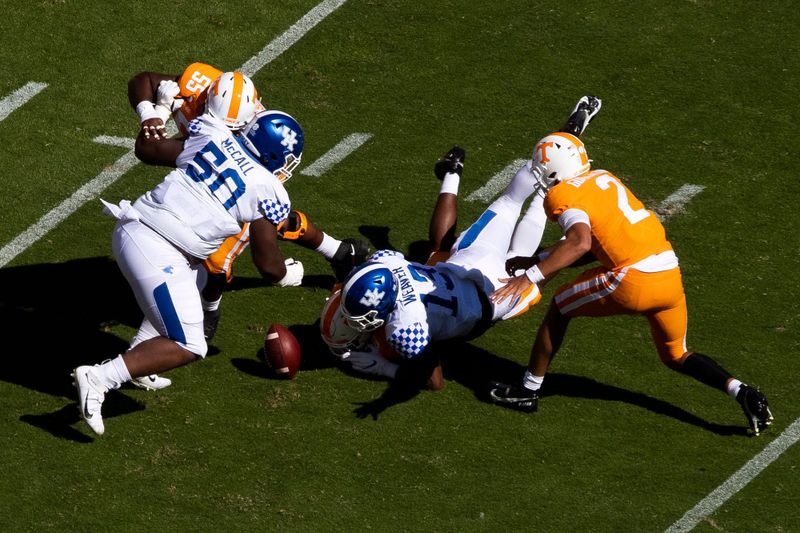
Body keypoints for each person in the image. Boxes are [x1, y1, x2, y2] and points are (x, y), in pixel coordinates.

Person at [71, 94, 328, 435]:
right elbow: (267, 262)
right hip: (157, 246)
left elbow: (158, 151)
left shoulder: (215, 133)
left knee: (198, 282)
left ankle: (141, 360)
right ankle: (101, 377)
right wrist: (287, 275)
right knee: (191, 343)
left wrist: (156, 110)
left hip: (141, 229)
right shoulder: (269, 189)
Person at [486, 132, 774, 436]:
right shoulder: (602, 177)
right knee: (676, 354)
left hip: (633, 278)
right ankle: (741, 392)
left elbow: (580, 242)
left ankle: (527, 390)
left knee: (559, 307)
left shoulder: (563, 195)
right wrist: (539, 258)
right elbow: (599, 244)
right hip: (667, 272)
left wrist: (529, 277)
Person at [320, 97, 603, 390]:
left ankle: (600, 246)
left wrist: (381, 366)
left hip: (489, 302)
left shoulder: (405, 328)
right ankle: (563, 142)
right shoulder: (385, 262)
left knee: (541, 257)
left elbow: (435, 381)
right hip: (467, 263)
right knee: (514, 197)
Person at [127, 65, 367, 363]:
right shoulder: (204, 87)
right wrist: (149, 113)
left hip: (240, 171)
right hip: (202, 157)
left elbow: (264, 231)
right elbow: (144, 81)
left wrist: (280, 274)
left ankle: (209, 304)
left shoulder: (258, 138)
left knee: (219, 259)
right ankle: (338, 251)